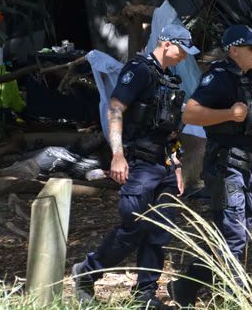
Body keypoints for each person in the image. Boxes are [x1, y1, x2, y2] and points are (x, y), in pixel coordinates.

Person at [72, 24, 200, 309]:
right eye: (182, 50)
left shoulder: (169, 80)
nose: (184, 57)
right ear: (166, 43)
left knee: (160, 232)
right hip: (139, 163)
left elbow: (170, 129)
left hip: (165, 164)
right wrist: (117, 155)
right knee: (134, 227)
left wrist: (177, 162)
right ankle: (87, 271)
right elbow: (115, 108)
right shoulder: (139, 71)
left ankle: (144, 295)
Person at [169, 24, 252, 307]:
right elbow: (191, 114)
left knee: (233, 233)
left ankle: (185, 287)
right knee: (234, 234)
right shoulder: (218, 77)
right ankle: (238, 299)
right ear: (234, 50)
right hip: (226, 166)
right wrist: (228, 114)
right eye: (251, 47)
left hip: (250, 167)